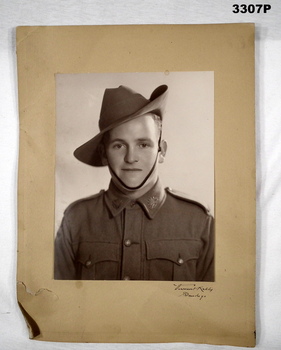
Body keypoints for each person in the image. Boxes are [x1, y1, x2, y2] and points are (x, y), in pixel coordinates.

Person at [54, 84, 214, 281]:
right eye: (119, 145)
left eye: (143, 144)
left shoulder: (198, 221)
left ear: (161, 151)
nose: (131, 157)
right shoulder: (76, 219)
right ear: (104, 154)